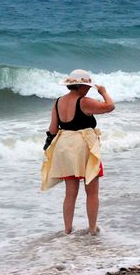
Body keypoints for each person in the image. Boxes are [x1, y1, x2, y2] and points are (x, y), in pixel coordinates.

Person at [41, 69, 115, 236]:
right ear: (80, 86)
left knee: (70, 192)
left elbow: (53, 129)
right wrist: (103, 92)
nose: (89, 89)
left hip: (65, 148)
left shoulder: (58, 102)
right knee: (92, 191)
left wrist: (47, 147)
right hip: (83, 148)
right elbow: (110, 106)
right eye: (87, 86)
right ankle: (92, 229)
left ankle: (67, 230)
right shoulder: (84, 102)